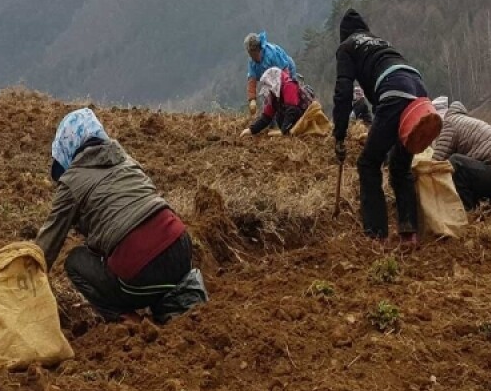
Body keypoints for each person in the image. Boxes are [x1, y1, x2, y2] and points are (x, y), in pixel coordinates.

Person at [36, 108, 207, 324]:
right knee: (146, 261)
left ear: (67, 148)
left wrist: (24, 285)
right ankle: (180, 310)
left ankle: (129, 321)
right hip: (181, 249)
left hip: (140, 271)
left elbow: (46, 248)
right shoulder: (127, 161)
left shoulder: (71, 182)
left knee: (76, 261)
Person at [332, 9, 431, 244]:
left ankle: (376, 236)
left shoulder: (346, 47)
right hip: (419, 94)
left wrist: (339, 133)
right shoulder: (380, 43)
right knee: (399, 164)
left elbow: (343, 91)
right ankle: (409, 232)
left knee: (368, 163)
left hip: (393, 91)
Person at [432, 100, 491, 209]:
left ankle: (468, 212)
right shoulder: (465, 121)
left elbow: (437, 162)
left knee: (456, 162)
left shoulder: (449, 123)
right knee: (465, 168)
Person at [240, 67, 311, 137]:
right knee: (278, 114)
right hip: (289, 122)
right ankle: (287, 132)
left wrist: (283, 131)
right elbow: (266, 117)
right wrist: (251, 130)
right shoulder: (274, 95)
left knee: (290, 110)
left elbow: (292, 110)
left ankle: (288, 132)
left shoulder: (289, 85)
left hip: (302, 118)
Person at [244, 32, 297, 117]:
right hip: (270, 79)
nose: (251, 57)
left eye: (252, 54)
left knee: (288, 97)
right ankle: (271, 120)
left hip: (286, 71)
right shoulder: (252, 62)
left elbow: (285, 72)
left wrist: (280, 92)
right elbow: (252, 79)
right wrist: (252, 100)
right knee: (270, 99)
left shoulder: (272, 54)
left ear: (258, 50)